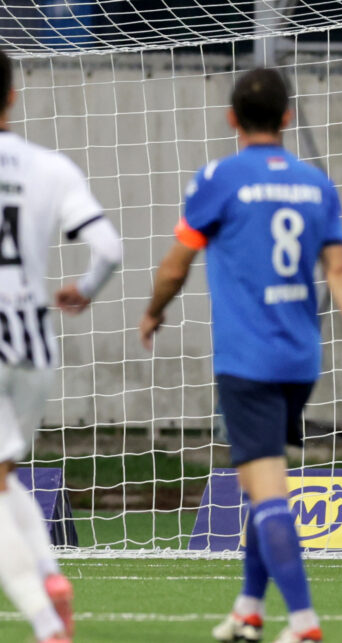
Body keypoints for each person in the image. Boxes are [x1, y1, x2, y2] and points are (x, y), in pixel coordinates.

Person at [139, 68, 342, 643]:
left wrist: (154, 310)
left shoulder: (219, 178)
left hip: (248, 362)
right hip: (300, 361)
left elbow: (177, 264)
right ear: (288, 117)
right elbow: (339, 272)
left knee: (268, 493)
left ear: (231, 119)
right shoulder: (316, 184)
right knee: (265, 485)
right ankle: (249, 610)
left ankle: (304, 621)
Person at [0, 48, 123, 642]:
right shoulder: (49, 167)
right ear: (11, 96)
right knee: (3, 476)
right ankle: (50, 576)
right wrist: (86, 289)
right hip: (33, 340)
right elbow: (110, 249)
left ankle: (47, 621)